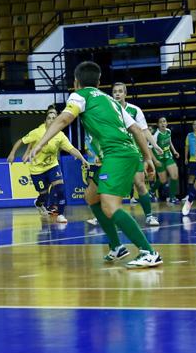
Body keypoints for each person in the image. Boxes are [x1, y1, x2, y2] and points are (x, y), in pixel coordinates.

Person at [26, 61, 161, 268]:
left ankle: (149, 252)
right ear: (99, 82)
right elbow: (135, 129)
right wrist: (148, 157)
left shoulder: (80, 95)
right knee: (91, 195)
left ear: (76, 82)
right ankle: (117, 246)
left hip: (119, 155)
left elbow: (64, 119)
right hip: (122, 153)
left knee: (110, 205)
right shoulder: (111, 100)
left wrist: (40, 144)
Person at [9, 108, 88, 223]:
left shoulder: (60, 135)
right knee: (44, 195)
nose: (51, 120)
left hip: (52, 166)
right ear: (45, 120)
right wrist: (12, 154)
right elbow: (21, 141)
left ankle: (60, 214)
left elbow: (71, 149)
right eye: (49, 118)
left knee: (60, 189)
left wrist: (82, 159)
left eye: (54, 118)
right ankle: (38, 203)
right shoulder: (38, 132)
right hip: (37, 169)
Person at [111, 82, 163, 227]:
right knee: (113, 186)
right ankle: (109, 214)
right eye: (115, 91)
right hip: (116, 153)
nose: (117, 94)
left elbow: (144, 130)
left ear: (125, 94)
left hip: (134, 153)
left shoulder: (135, 110)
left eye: (120, 91)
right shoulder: (109, 109)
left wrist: (155, 145)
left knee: (140, 184)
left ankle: (149, 216)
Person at [151, 116, 181, 205]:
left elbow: (169, 141)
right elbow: (149, 148)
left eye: (164, 121)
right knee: (163, 180)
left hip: (168, 156)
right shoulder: (156, 135)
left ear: (167, 123)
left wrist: (174, 151)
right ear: (158, 125)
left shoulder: (168, 131)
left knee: (174, 175)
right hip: (159, 159)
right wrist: (155, 160)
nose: (163, 123)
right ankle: (152, 191)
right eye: (160, 122)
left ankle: (172, 197)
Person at [184, 120, 196, 196]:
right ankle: (189, 195)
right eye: (194, 124)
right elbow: (187, 147)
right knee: (191, 177)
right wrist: (186, 158)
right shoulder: (189, 135)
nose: (195, 126)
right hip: (192, 159)